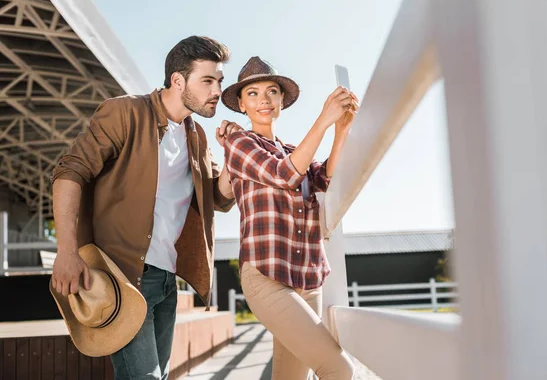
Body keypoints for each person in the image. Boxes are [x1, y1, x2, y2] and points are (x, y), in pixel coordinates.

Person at [50, 35, 242, 379]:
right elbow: (68, 172)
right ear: (178, 80)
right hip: (124, 278)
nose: (217, 91)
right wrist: (66, 251)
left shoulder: (195, 136)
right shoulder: (125, 112)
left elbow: (221, 198)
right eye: (208, 80)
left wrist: (232, 153)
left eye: (219, 81)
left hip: (167, 281)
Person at [222, 56, 358, 379]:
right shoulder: (239, 144)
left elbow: (325, 177)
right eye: (252, 94)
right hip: (267, 278)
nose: (264, 100)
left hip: (308, 279)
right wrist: (323, 120)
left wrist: (341, 131)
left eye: (271, 92)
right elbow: (284, 175)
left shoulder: (293, 149)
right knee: (338, 368)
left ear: (282, 100)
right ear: (241, 104)